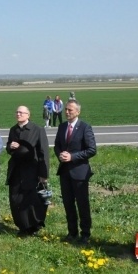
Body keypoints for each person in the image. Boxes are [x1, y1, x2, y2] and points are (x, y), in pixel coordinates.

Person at [54, 100, 97, 244]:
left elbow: (92, 150)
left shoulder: (85, 127)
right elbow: (57, 146)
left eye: (70, 110)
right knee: (68, 203)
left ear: (78, 112)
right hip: (65, 172)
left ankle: (85, 233)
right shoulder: (62, 127)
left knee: (82, 204)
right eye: (66, 109)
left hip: (79, 172)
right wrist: (60, 154)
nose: (67, 112)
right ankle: (72, 232)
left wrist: (72, 157)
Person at [7, 105, 50, 237]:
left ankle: (33, 226)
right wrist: (11, 146)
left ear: (28, 115)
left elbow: (44, 152)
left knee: (31, 199)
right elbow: (9, 149)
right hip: (16, 170)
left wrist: (44, 174)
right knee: (15, 198)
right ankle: (21, 225)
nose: (18, 114)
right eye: (17, 112)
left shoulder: (37, 129)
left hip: (32, 170)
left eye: (21, 112)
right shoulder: (13, 130)